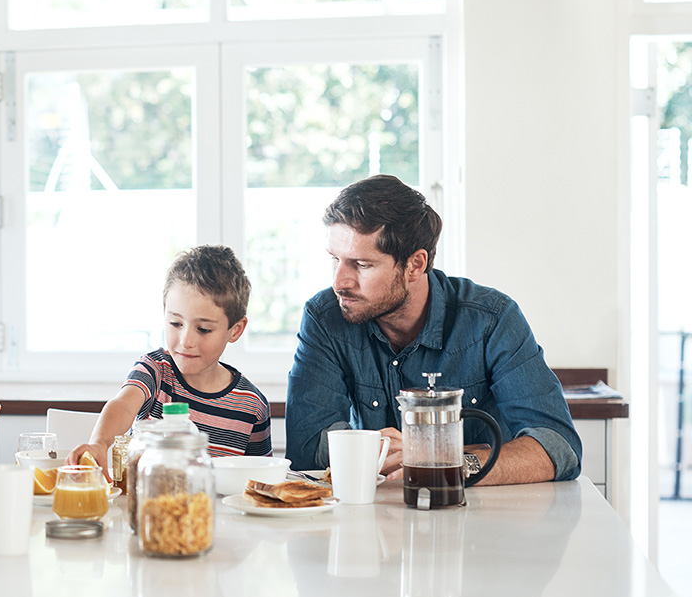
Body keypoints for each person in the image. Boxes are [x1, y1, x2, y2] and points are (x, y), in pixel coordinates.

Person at [285, 174, 581, 484]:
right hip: (373, 514)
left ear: (415, 265)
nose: (339, 282)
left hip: (483, 517)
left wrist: (432, 456)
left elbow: (558, 448)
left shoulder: (491, 319)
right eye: (335, 260)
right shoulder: (325, 316)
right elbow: (307, 447)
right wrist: (472, 452)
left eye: (361, 264)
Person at [67, 245, 271, 471]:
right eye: (176, 323)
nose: (185, 341)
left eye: (203, 329)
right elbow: (122, 406)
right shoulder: (155, 370)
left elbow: (261, 477)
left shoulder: (252, 405)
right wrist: (99, 443)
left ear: (235, 330)